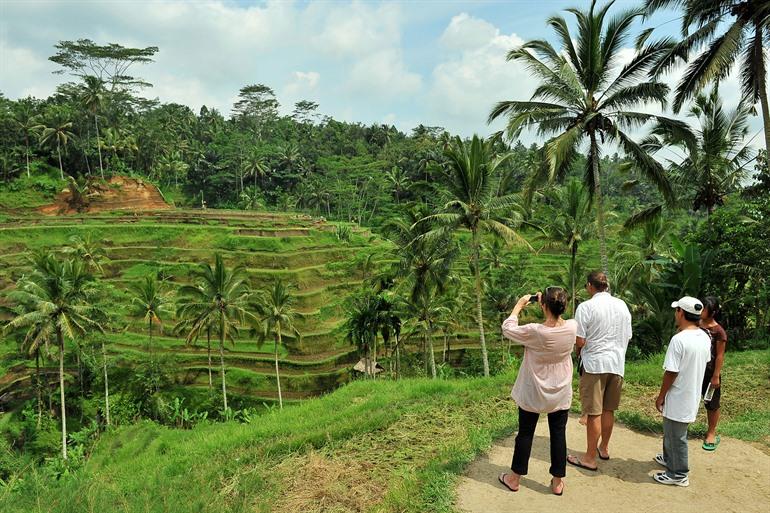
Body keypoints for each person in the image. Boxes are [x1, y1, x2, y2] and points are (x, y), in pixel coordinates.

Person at [498, 287, 576, 496]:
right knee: (558, 435)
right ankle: (557, 482)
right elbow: (558, 320)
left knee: (525, 433)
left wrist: (519, 305)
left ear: (544, 305)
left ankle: (514, 479)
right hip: (560, 390)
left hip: (534, 390)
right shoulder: (572, 327)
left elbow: (507, 328)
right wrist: (548, 302)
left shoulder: (535, 331)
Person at [568, 271, 632, 471]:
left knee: (593, 412)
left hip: (594, 364)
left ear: (590, 286)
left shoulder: (586, 307)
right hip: (617, 364)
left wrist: (579, 352)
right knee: (608, 409)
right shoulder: (622, 305)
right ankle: (603, 448)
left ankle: (589, 458)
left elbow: (580, 340)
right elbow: (628, 335)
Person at [653, 296, 711, 487]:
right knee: (671, 430)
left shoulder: (679, 340)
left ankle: (678, 474)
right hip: (691, 392)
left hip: (679, 394)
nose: (675, 314)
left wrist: (661, 396)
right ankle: (669, 458)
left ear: (681, 313)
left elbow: (671, 371)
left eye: (676, 310)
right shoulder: (704, 336)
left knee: (676, 435)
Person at [699, 296, 727, 451]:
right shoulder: (695, 325)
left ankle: (711, 432)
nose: (701, 311)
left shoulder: (719, 331)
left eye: (704, 308)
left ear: (713, 312)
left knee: (712, 403)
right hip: (695, 370)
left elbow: (720, 355)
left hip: (709, 373)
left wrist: (716, 375)